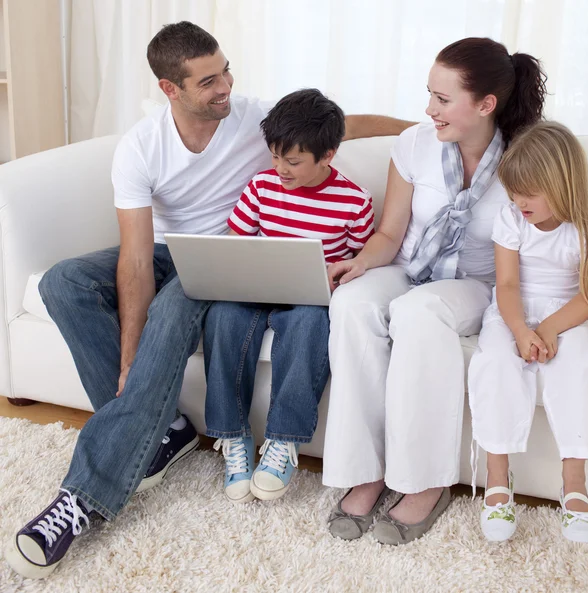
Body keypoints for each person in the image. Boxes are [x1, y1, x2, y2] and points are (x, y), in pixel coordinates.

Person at [4, 22, 411, 579]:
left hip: (228, 260)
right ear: (171, 89)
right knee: (62, 282)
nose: (226, 87)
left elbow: (347, 125)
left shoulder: (249, 118)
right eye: (209, 81)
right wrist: (130, 358)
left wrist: (424, 129)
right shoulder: (141, 148)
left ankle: (82, 501)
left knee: (175, 309)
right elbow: (136, 259)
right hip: (169, 253)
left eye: (225, 72)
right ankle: (160, 432)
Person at [323, 37, 547, 545]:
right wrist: (356, 264)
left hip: (479, 285)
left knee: (420, 313)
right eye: (430, 95)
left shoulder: (526, 157)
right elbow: (389, 234)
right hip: (410, 267)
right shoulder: (415, 145)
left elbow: (545, 243)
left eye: (443, 100)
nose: (429, 110)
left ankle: (424, 484)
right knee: (353, 302)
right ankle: (366, 471)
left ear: (486, 105)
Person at [204, 89, 375, 504]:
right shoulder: (261, 186)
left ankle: (283, 441)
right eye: (275, 156)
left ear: (328, 155)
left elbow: (360, 263)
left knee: (309, 322)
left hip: (309, 297)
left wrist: (339, 279)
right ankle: (234, 436)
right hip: (256, 286)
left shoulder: (355, 201)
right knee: (222, 316)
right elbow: (235, 242)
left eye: (293, 161)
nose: (280, 169)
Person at [468, 121, 588, 543]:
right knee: (495, 361)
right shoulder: (512, 219)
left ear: (562, 185)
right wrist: (522, 331)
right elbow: (505, 286)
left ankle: (575, 486)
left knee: (578, 363)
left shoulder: (584, 227)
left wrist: (548, 329)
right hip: (512, 310)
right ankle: (497, 480)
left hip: (567, 314)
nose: (517, 201)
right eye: (513, 191)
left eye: (528, 193)